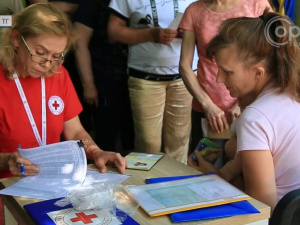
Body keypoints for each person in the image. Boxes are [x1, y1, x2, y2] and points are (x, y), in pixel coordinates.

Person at [188, 9, 300, 212]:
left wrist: (211, 179)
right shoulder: (292, 94)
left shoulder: (256, 118)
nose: (219, 79)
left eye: (227, 72)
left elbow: (263, 210)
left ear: (258, 72)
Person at [0, 3, 128, 179]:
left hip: (50, 181)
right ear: (16, 38)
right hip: (7, 187)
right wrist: (6, 160)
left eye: (56, 56)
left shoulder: (58, 75)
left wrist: (95, 151)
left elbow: (74, 131)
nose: (47, 64)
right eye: (40, 52)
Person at [107, 0, 198, 163]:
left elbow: (210, 23)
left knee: (179, 140)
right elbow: (113, 31)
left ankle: (176, 185)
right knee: (148, 143)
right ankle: (146, 185)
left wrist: (192, 33)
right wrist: (151, 34)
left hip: (185, 77)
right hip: (145, 77)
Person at [178, 0, 271, 152]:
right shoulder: (194, 10)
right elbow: (184, 65)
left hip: (250, 105)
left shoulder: (257, 4)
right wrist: (207, 105)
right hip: (207, 109)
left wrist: (242, 102)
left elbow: (272, 58)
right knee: (206, 167)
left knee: (244, 166)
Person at [73, 0, 134, 154]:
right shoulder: (92, 5)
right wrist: (88, 85)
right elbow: (80, 44)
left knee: (131, 134)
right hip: (102, 77)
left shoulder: (136, 4)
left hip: (135, 77)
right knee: (106, 134)